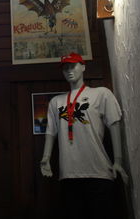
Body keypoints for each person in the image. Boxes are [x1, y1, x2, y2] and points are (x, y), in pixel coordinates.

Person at [40, 52, 128, 218]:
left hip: (99, 172)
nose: (69, 70)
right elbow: (51, 132)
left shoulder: (101, 94)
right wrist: (46, 157)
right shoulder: (56, 102)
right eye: (65, 68)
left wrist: (118, 160)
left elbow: (114, 124)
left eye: (72, 66)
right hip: (68, 175)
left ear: (83, 67)